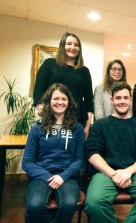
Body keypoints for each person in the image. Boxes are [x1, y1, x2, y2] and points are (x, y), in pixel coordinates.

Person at [84, 82, 136, 223]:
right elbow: (92, 153)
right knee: (94, 202)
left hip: (135, 173)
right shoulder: (100, 125)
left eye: (126, 98)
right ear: (112, 100)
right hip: (105, 173)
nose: (122, 101)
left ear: (131, 100)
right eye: (118, 98)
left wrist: (128, 172)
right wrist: (114, 174)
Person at [22, 83, 85, 223]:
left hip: (67, 177)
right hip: (41, 176)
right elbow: (27, 162)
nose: (60, 102)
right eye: (56, 98)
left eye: (64, 99)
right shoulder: (37, 129)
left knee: (68, 205)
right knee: (34, 206)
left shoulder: (77, 128)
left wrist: (62, 177)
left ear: (69, 102)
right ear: (49, 102)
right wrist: (48, 177)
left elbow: (79, 159)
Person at [33, 32, 94, 139]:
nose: (73, 47)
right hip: (52, 119)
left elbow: (89, 101)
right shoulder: (49, 64)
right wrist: (45, 116)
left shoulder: (84, 71)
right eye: (69, 44)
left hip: (78, 120)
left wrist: (88, 126)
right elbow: (38, 93)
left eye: (76, 45)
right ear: (62, 46)